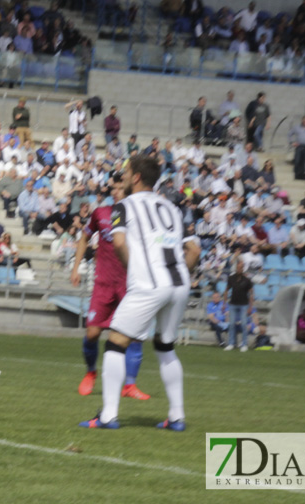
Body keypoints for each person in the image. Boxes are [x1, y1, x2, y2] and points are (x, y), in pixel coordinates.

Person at [78, 156, 200, 431]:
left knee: (115, 342)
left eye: (125, 171)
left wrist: (133, 270)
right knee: (165, 346)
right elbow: (194, 250)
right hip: (179, 283)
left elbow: (118, 241)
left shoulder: (123, 205)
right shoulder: (172, 207)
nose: (121, 175)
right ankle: (177, 417)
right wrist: (179, 276)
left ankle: (108, 416)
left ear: (135, 178)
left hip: (148, 283)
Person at [70, 173, 150, 400]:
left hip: (129, 284)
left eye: (118, 187)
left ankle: (130, 386)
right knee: (92, 332)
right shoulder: (101, 213)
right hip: (103, 284)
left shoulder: (138, 215)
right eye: (112, 188)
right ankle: (90, 372)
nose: (114, 191)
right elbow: (85, 238)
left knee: (134, 336)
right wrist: (76, 268)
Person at [224, 259, 254, 352]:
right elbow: (226, 290)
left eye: (241, 267)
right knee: (231, 324)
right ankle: (231, 343)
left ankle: (244, 344)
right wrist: (224, 303)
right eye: (239, 267)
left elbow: (251, 294)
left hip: (243, 305)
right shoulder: (231, 278)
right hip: (233, 304)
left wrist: (250, 306)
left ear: (243, 268)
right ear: (236, 267)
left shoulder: (247, 280)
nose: (240, 269)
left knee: (244, 324)